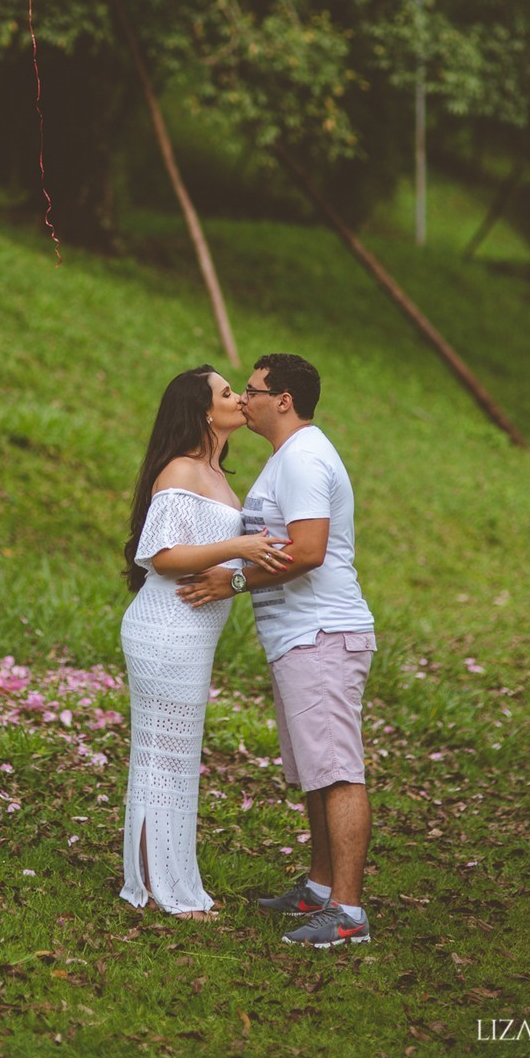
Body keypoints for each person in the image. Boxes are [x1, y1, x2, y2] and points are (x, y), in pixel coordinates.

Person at [177, 352, 376, 950]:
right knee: (317, 771)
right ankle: (319, 889)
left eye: (255, 390)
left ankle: (346, 913)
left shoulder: (306, 458)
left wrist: (231, 581)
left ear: (283, 399)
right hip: (299, 636)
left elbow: (309, 549)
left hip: (322, 632)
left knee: (338, 772)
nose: (245, 398)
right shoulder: (287, 459)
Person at [119, 365, 292, 919]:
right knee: (161, 757)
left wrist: (248, 551)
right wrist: (239, 544)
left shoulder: (216, 473)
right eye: (226, 393)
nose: (240, 398)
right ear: (201, 411)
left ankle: (158, 881)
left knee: (172, 757)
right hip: (166, 629)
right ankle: (158, 888)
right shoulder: (181, 470)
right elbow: (162, 555)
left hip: (191, 633)